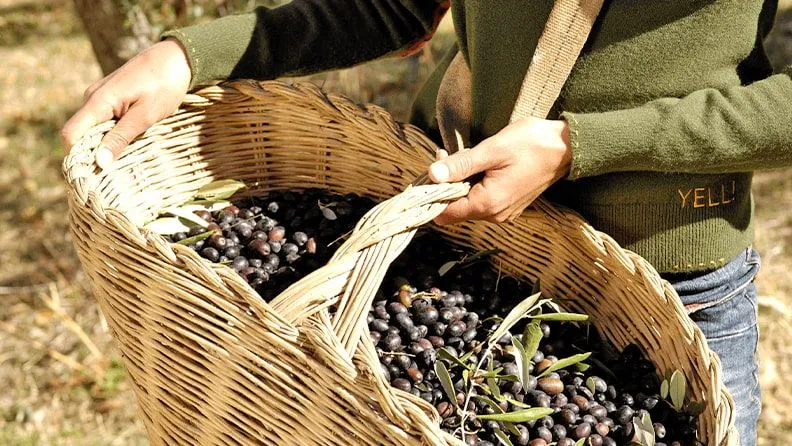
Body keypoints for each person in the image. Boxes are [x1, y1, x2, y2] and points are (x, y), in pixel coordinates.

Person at [62, 1, 792, 444]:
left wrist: (580, 146)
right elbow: (395, 5)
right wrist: (189, 57)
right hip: (449, 254)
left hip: (661, 298)